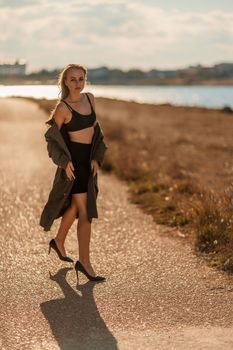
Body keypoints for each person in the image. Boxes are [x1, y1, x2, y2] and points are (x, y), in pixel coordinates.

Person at [40, 63, 108, 282]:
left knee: (76, 208)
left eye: (81, 79)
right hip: (74, 166)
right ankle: (85, 263)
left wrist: (97, 157)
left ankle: (58, 241)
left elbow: (98, 133)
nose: (77, 83)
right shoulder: (63, 108)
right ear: (65, 82)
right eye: (73, 79)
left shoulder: (90, 98)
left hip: (88, 163)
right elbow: (52, 140)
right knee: (85, 212)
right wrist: (63, 162)